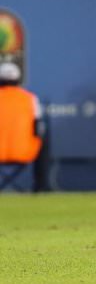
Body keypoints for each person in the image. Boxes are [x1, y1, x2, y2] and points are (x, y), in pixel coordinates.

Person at [0, 62, 43, 190]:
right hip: (25, 151)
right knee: (42, 142)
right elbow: (37, 128)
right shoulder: (30, 99)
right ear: (18, 80)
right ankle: (40, 188)